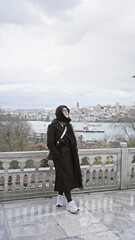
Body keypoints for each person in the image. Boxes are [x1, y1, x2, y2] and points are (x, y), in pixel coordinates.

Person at [47, 105, 83, 213]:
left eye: (67, 110)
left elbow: (73, 141)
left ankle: (59, 197)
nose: (66, 112)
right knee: (65, 177)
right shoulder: (53, 126)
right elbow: (50, 143)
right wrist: (57, 155)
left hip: (70, 155)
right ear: (59, 112)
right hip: (60, 156)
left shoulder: (69, 125)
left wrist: (74, 153)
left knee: (64, 176)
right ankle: (70, 202)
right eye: (63, 111)